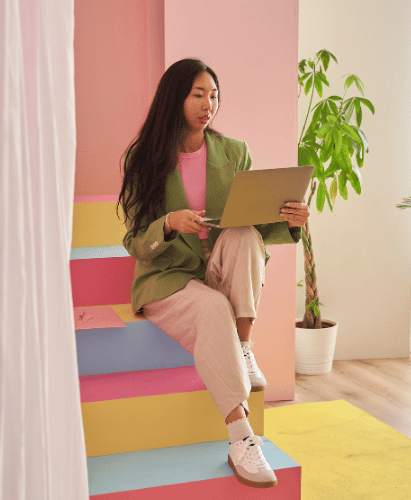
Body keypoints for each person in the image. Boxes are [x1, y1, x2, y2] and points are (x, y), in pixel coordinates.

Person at [119, 58, 310, 489]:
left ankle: (244, 347)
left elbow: (255, 221)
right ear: (176, 98)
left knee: (243, 234)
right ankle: (241, 437)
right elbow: (135, 241)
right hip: (169, 277)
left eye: (215, 95)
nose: (209, 105)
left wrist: (291, 220)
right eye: (199, 95)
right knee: (211, 307)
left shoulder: (233, 151)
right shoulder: (142, 157)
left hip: (221, 266)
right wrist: (169, 223)